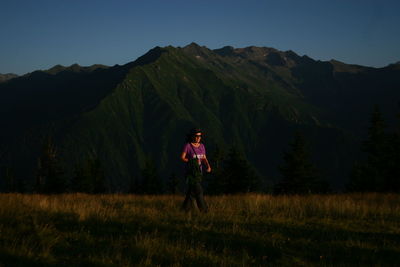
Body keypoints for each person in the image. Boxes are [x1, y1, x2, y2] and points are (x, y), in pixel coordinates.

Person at [180, 128, 211, 212]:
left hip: (199, 172)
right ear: (192, 136)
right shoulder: (188, 146)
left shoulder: (202, 146)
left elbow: (204, 158)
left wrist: (208, 166)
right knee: (199, 190)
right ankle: (204, 210)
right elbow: (182, 157)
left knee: (191, 193)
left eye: (200, 136)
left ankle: (184, 210)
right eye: (197, 136)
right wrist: (191, 160)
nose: (198, 137)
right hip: (191, 173)